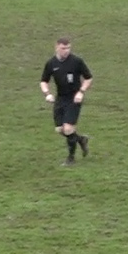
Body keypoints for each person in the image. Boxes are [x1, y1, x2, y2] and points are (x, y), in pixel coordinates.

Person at [40, 37, 93, 165]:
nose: (66, 51)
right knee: (60, 130)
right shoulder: (51, 63)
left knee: (68, 129)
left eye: (68, 48)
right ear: (56, 47)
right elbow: (44, 81)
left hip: (74, 98)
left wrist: (81, 92)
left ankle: (71, 158)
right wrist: (47, 94)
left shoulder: (76, 61)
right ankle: (80, 139)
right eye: (63, 48)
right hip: (60, 98)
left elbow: (88, 78)